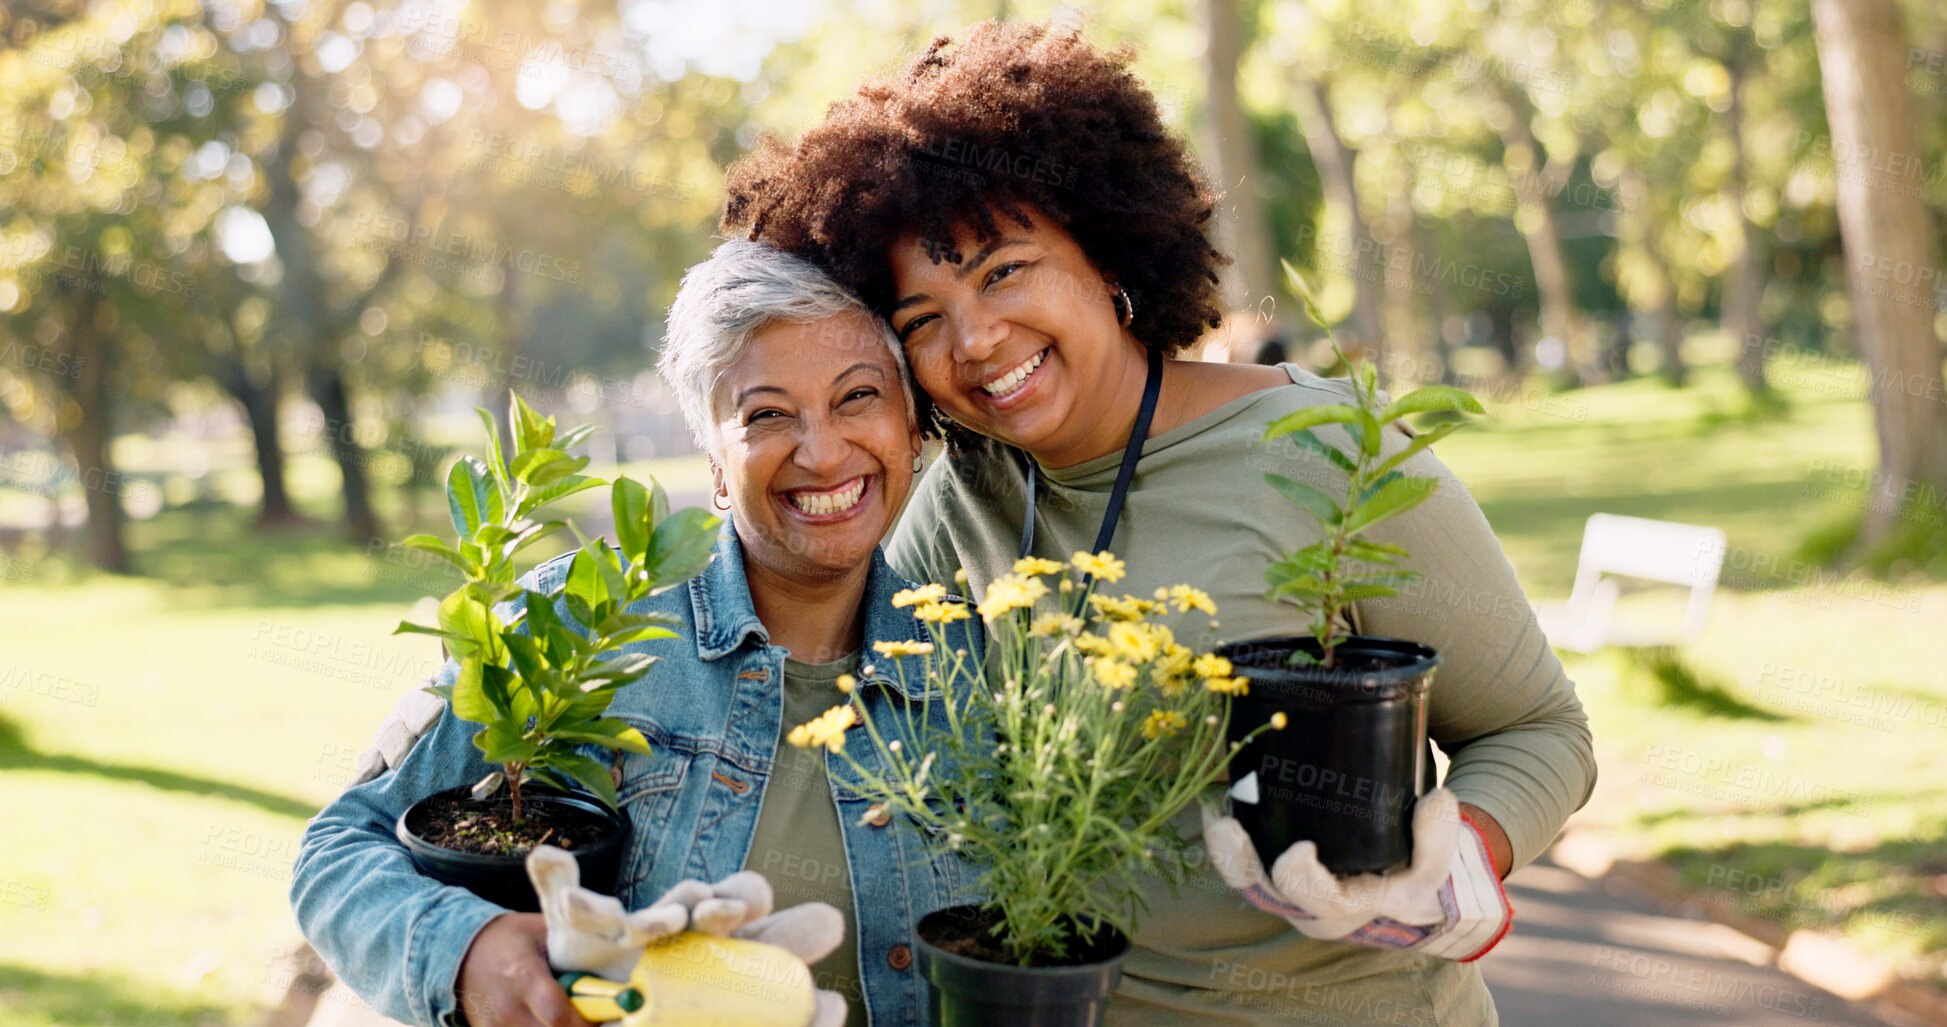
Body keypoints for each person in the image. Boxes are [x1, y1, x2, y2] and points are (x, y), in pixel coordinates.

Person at [722, 20, 1595, 1025]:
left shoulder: (1329, 451)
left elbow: (1540, 728)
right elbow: (837, 725)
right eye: (921, 320)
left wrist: (1454, 862)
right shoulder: (961, 498)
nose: (975, 338)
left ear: (1105, 251)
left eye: (1004, 270)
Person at [291, 240, 978, 1027]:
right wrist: (469, 950)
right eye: (765, 414)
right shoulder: (579, 618)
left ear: (911, 425)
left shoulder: (978, 660)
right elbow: (339, 854)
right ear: (717, 461)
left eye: (856, 397)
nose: (820, 452)